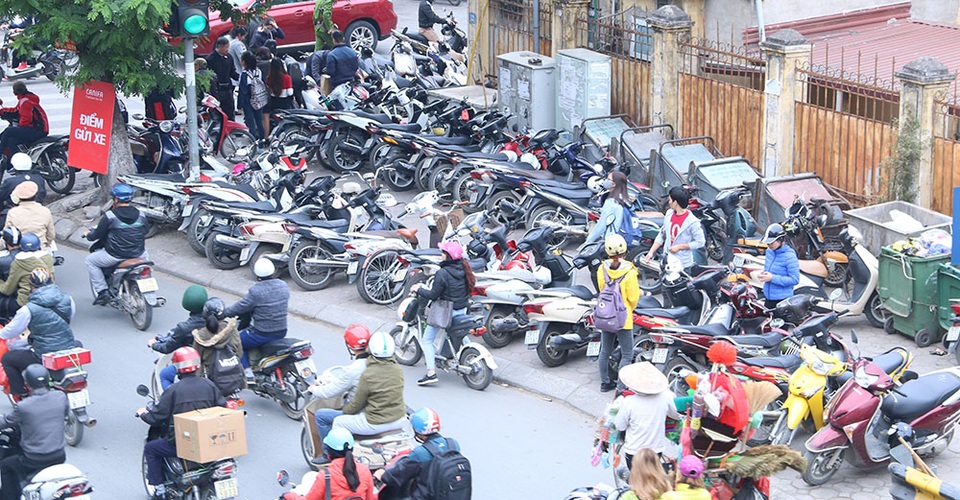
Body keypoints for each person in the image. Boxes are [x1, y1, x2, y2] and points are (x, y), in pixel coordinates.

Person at [137, 346, 226, 500]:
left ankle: (159, 490)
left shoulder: (174, 390)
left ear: (177, 367)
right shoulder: (208, 385)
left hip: (183, 444)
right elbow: (222, 406)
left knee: (151, 449)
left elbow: (157, 416)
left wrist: (143, 413)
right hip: (210, 441)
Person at [0, 268, 75, 399]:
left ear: (31, 286)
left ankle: (20, 393)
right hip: (68, 347)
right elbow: (69, 317)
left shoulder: (28, 309)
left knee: (8, 359)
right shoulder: (68, 299)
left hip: (43, 352)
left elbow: (11, 332)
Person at [0, 364, 67, 500]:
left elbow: (6, 422)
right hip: (59, 455)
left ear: (27, 385)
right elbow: (64, 414)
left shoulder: (24, 406)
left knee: (6, 466)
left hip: (34, 459)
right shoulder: (60, 396)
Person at [413, 241, 474, 386]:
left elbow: (433, 295)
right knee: (461, 334)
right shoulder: (464, 268)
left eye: (443, 253)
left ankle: (430, 373)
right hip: (462, 309)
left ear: (448, 256)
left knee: (427, 340)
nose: (441, 255)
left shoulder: (442, 273)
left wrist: (418, 289)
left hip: (446, 312)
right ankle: (468, 356)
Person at [308, 324, 371, 466]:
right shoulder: (382, 364)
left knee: (321, 416)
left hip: (360, 414)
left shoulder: (353, 370)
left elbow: (329, 392)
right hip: (380, 411)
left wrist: (314, 389)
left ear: (349, 345)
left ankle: (327, 454)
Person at [376, 407, 467, 500]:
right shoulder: (453, 444)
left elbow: (399, 474)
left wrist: (383, 475)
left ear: (418, 432)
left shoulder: (420, 453)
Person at [330, 331, 406, 441]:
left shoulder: (367, 374)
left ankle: (337, 455)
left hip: (375, 423)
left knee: (338, 421)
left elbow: (356, 405)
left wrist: (344, 409)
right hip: (399, 419)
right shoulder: (398, 370)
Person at [222, 258, 289, 380]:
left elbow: (239, 307)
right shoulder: (283, 286)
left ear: (257, 274)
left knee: (236, 341)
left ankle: (248, 373)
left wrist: (224, 313)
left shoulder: (256, 291)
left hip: (262, 333)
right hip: (282, 331)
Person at [84, 183, 148, 306]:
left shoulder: (110, 216)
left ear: (116, 199)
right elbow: (145, 231)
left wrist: (88, 234)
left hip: (115, 255)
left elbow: (96, 235)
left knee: (90, 261)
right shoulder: (141, 214)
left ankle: (102, 291)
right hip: (139, 253)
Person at [613, 362, 682, 470]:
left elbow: (619, 426)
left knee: (637, 483)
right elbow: (677, 414)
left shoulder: (629, 402)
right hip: (655, 451)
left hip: (634, 452)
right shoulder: (665, 396)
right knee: (652, 480)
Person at [596, 234, 641, 393]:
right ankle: (621, 387)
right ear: (625, 250)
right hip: (623, 318)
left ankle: (604, 382)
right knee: (627, 354)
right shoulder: (629, 271)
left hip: (605, 314)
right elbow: (633, 297)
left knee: (605, 350)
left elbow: (602, 288)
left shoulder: (602, 268)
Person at [284, 428, 376, 500]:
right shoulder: (365, 470)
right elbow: (370, 498)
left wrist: (289, 496)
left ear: (328, 455)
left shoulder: (325, 476)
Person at [148, 285, 208, 390]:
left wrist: (154, 345)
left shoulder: (184, 328)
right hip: (211, 363)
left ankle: (170, 400)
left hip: (193, 367)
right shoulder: (215, 321)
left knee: (164, 374)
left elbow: (167, 348)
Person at [643, 186, 705, 275]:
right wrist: (651, 252)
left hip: (683, 264)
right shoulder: (669, 214)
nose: (669, 202)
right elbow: (662, 234)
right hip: (667, 260)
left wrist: (680, 247)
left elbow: (700, 242)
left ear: (675, 202)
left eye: (670, 200)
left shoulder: (692, 221)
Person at [191, 297, 243, 387]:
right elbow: (239, 353)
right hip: (234, 379)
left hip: (210, 380)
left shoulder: (201, 335)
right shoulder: (232, 330)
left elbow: (195, 361)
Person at [0, 233, 53, 315]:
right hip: (47, 299)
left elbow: (7, 290)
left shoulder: (19, 261)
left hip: (25, 303)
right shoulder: (48, 258)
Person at [0, 82, 48, 168]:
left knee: (8, 131)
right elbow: (16, 110)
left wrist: (19, 126)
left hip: (36, 130)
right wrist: (3, 111)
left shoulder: (25, 101)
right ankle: (14, 163)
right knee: (12, 140)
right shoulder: (27, 99)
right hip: (41, 129)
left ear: (15, 92)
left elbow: (26, 119)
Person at [756, 223, 799, 310]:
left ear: (781, 240)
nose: (769, 245)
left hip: (782, 300)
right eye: (767, 243)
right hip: (768, 298)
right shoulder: (769, 251)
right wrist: (764, 274)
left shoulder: (789, 256)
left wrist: (772, 278)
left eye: (771, 243)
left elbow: (794, 279)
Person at [586, 170, 633, 244]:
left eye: (608, 179)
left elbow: (601, 226)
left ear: (613, 184)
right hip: (622, 238)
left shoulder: (611, 202)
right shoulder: (624, 199)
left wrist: (588, 241)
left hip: (610, 240)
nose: (605, 181)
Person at [5, 181, 54, 250]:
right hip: (41, 249)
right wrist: (46, 245)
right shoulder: (45, 211)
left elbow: (6, 234)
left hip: (19, 250)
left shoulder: (12, 212)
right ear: (36, 195)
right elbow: (50, 235)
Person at [206, 37, 239, 121]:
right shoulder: (210, 59)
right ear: (219, 46)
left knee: (229, 112)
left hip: (227, 89)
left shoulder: (229, 57)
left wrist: (241, 78)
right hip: (217, 90)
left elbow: (232, 72)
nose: (227, 50)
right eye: (225, 47)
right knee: (216, 114)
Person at [237, 51, 266, 142]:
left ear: (244, 62)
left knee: (251, 124)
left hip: (248, 102)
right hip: (259, 100)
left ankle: (253, 144)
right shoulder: (258, 71)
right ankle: (261, 142)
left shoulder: (245, 74)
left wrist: (239, 106)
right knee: (259, 122)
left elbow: (243, 91)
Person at [264, 58, 293, 136]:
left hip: (274, 103)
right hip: (285, 103)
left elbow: (269, 91)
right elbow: (290, 93)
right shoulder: (287, 78)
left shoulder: (268, 78)